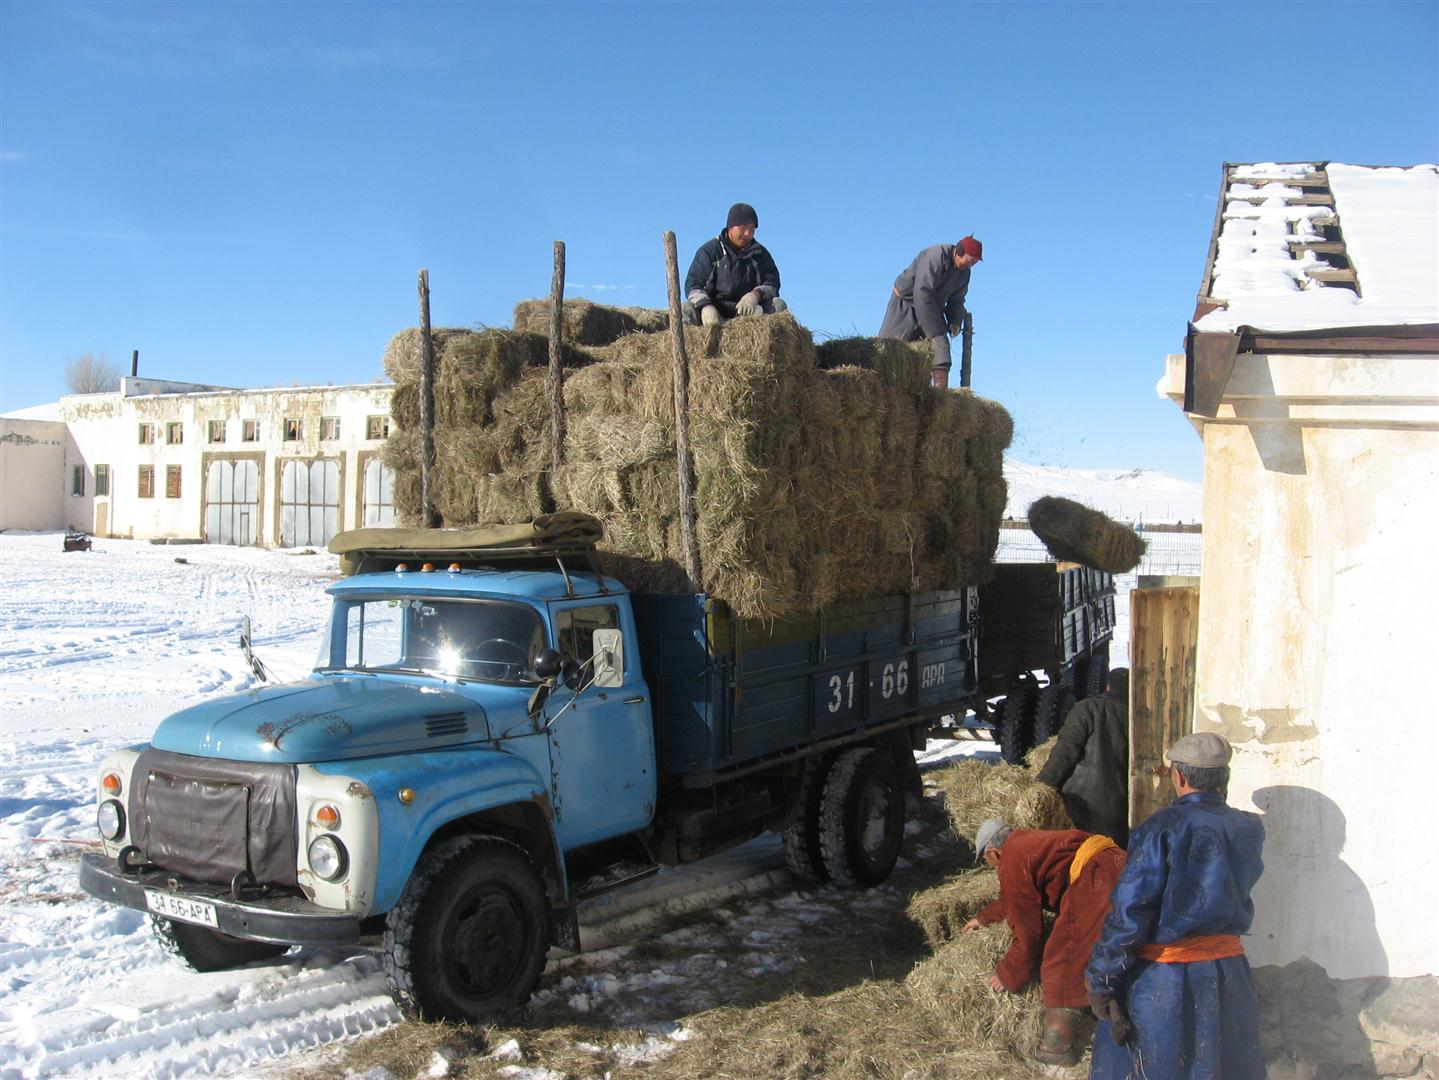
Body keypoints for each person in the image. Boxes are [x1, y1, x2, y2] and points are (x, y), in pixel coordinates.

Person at [1086, 731, 1265, 1080]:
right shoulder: (1249, 827)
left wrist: (1102, 978)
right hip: (1229, 976)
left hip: (1165, 982)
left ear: (1179, 776)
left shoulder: (1160, 828)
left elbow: (1130, 912)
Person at [963, 817, 1127, 1066]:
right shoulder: (1026, 842)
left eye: (988, 862)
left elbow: (1029, 932)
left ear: (994, 852)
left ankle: (1057, 1046)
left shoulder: (1011, 860)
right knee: (1110, 949)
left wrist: (1009, 974)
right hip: (1118, 864)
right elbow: (1016, 899)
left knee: (1061, 960)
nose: (993, 868)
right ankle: (1117, 1017)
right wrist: (983, 918)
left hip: (1096, 880)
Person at [1036, 668, 1132, 846]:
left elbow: (1064, 752)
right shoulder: (1137, 716)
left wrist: (1042, 786)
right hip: (1121, 807)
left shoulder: (1087, 708)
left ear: (1108, 686)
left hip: (1082, 805)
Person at [878, 236, 982, 388]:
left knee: (933, 352)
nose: (972, 265)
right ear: (959, 252)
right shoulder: (936, 256)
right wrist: (935, 332)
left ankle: (939, 398)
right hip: (906, 304)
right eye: (971, 260)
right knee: (890, 350)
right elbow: (922, 292)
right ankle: (883, 387)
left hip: (931, 307)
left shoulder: (964, 273)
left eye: (975, 262)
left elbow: (957, 300)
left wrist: (955, 321)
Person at [683, 202, 787, 326]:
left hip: (749, 313)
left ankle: (770, 345)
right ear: (730, 226)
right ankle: (692, 345)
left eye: (752, 230)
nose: (747, 234)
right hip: (715, 311)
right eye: (743, 228)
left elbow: (773, 283)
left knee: (778, 304)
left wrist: (755, 295)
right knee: (685, 309)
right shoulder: (710, 251)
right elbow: (693, 285)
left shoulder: (760, 254)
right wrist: (705, 306)